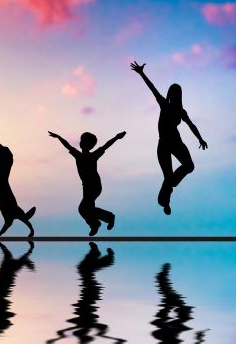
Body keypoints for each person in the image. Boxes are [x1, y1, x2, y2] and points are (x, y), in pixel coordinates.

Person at [129, 61, 208, 214]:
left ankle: (171, 184)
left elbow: (191, 125)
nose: (175, 96)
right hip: (164, 144)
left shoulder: (180, 111)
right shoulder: (164, 104)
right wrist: (142, 73)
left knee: (189, 167)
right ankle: (165, 202)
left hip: (176, 142)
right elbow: (152, 88)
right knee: (168, 178)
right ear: (171, 95)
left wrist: (200, 138)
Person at [49, 129, 126, 236]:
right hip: (87, 186)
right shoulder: (78, 155)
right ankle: (104, 219)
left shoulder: (93, 155)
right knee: (86, 209)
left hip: (94, 185)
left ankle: (98, 222)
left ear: (89, 145)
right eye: (81, 141)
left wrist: (116, 137)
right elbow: (67, 145)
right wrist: (58, 137)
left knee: (84, 208)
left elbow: (106, 146)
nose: (81, 143)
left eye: (84, 141)